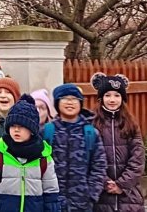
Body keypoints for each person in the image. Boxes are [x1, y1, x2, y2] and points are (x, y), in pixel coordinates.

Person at [0, 95, 60, 212]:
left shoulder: (44, 158)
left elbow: (51, 195)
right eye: (13, 126)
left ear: (32, 130)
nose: (16, 130)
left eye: (22, 126)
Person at [44, 84, 107, 212]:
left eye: (74, 99)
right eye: (65, 98)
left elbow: (99, 165)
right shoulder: (48, 131)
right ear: (57, 103)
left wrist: (91, 194)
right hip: (52, 202)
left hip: (82, 203)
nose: (70, 102)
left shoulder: (90, 132)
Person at [90, 73, 145, 212]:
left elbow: (138, 157)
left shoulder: (131, 123)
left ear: (122, 98)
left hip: (129, 195)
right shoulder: (92, 124)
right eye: (107, 95)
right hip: (101, 195)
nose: (112, 100)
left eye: (117, 95)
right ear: (101, 98)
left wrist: (122, 184)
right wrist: (106, 183)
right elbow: (90, 157)